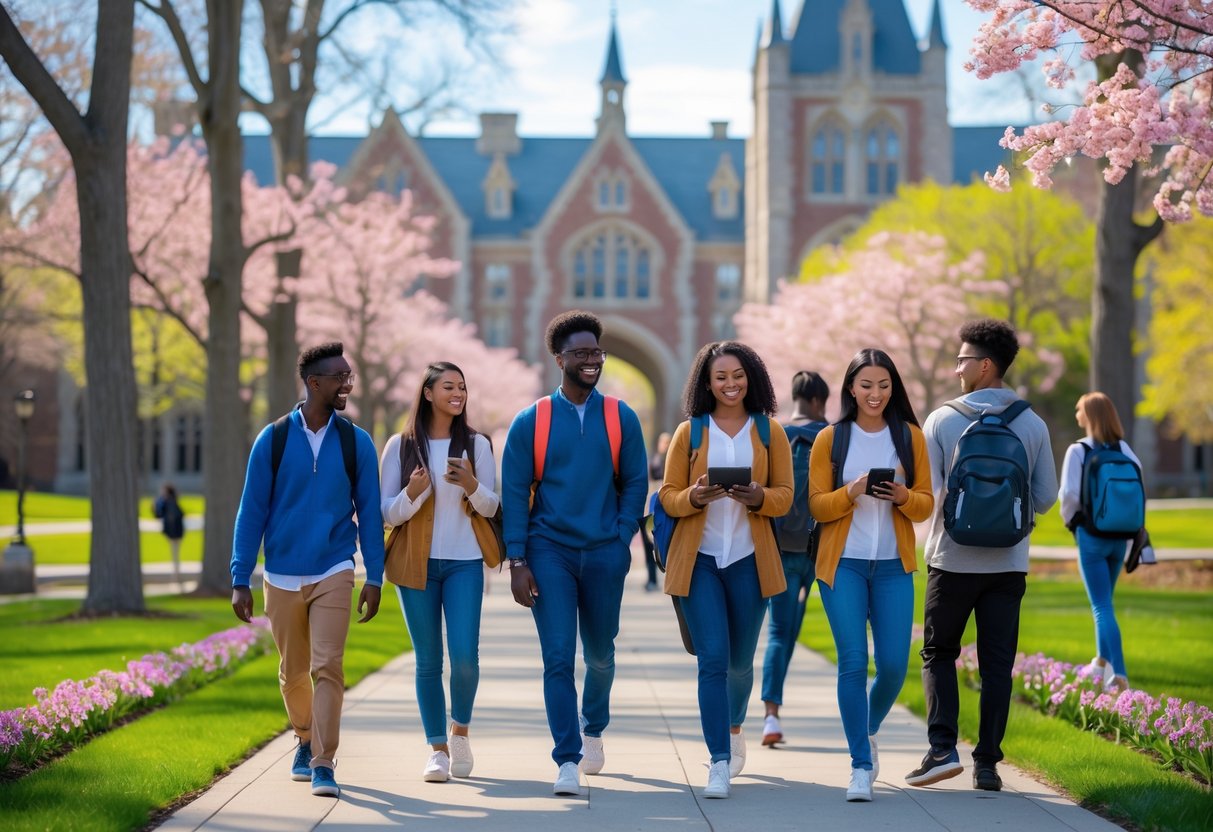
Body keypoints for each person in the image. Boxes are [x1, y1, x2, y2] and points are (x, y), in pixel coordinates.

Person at [501, 310, 648, 797]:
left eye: (596, 353)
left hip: (604, 551)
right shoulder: (533, 420)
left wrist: (623, 536)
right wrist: (517, 559)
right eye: (581, 354)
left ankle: (594, 728)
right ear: (560, 358)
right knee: (558, 656)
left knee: (601, 654)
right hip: (550, 552)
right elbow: (516, 489)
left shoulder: (620, 416)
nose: (592, 361)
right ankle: (566, 758)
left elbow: (635, 483)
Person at [906, 319, 1056, 793]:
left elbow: (927, 493)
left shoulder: (943, 419)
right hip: (1007, 565)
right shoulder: (1031, 423)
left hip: (950, 561)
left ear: (985, 365)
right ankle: (987, 764)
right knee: (996, 666)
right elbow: (1047, 495)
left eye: (962, 360)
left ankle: (942, 748)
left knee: (938, 653)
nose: (956, 370)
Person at [231, 342, 385, 799]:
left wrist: (373, 576)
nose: (348, 384)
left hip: (335, 567)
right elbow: (251, 511)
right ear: (314, 383)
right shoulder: (273, 439)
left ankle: (322, 760)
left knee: (328, 667)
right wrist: (241, 577)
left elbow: (371, 513)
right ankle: (303, 737)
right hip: (280, 573)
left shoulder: (356, 442)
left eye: (349, 375)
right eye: (340, 377)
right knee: (293, 672)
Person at [658, 341, 793, 800]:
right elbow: (667, 496)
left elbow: (786, 496)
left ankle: (734, 728)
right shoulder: (689, 432)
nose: (730, 384)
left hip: (750, 562)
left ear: (750, 377)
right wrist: (694, 496)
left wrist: (758, 496)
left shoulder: (770, 431)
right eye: (720, 377)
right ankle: (718, 759)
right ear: (707, 383)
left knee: (739, 662)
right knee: (713, 660)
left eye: (737, 375)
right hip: (699, 562)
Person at [807, 350, 933, 802]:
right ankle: (861, 765)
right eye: (866, 385)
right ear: (850, 389)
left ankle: (868, 727)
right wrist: (852, 490)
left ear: (893, 388)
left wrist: (901, 495)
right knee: (854, 662)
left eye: (883, 385)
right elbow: (818, 504)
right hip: (843, 565)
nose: (875, 394)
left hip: (893, 567)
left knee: (896, 667)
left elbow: (926, 504)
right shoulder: (831, 438)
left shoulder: (909, 437)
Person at [380, 362, 500, 783]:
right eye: (449, 386)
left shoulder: (478, 445)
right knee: (428, 661)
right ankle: (437, 749)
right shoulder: (399, 445)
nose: (459, 393)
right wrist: (412, 495)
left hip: (465, 563)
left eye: (463, 387)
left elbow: (491, 507)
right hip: (416, 565)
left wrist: (471, 484)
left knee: (465, 657)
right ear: (428, 392)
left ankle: (461, 729)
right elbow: (386, 512)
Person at [761, 370, 829, 747]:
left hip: (779, 549)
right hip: (817, 550)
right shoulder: (832, 437)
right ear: (820, 401)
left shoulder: (777, 436)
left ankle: (771, 714)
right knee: (794, 630)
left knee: (778, 633)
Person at [1058, 392, 1141, 693]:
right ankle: (1100, 662)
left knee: (1101, 607)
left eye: (1079, 409)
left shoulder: (1078, 450)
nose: (1076, 414)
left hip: (1091, 536)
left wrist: (1073, 525)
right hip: (1120, 537)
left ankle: (1119, 675)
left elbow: (1068, 496)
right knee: (1106, 602)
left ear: (1089, 415)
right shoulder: (1125, 449)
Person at [645, 432, 673, 591]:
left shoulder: (675, 459)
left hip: (669, 509)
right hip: (651, 508)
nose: (666, 445)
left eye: (669, 442)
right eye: (664, 442)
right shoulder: (652, 461)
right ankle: (651, 578)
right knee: (650, 544)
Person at [153, 482, 186, 590]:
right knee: (175, 554)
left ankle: (176, 577)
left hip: (174, 533)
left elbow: (158, 514)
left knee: (175, 554)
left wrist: (156, 503)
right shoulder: (174, 501)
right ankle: (176, 576)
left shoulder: (167, 502)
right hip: (177, 533)